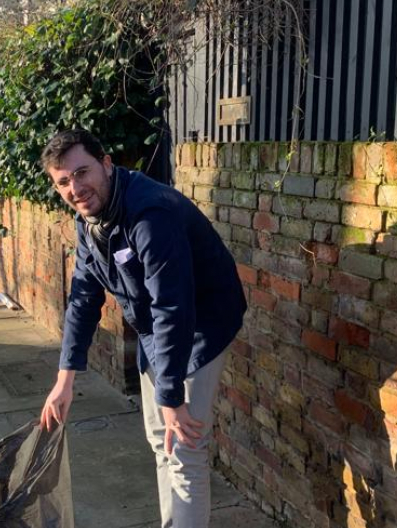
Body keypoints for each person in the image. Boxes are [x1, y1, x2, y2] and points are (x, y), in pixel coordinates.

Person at [39, 129, 247, 528]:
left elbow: (173, 307)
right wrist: (66, 377)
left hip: (200, 323)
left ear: (106, 163)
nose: (75, 188)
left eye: (82, 173)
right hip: (157, 324)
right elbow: (83, 296)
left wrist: (170, 394)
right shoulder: (90, 218)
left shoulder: (151, 215)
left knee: (184, 446)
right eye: (63, 181)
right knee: (160, 439)